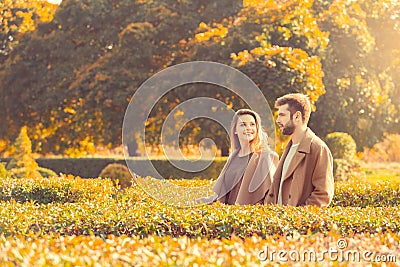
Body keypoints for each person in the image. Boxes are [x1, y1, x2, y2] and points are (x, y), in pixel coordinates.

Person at [264, 93, 334, 207]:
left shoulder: (318, 148)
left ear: (297, 116)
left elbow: (323, 194)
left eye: (282, 115)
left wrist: (297, 216)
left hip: (295, 223)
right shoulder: (289, 147)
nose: (277, 120)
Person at [197, 109, 278, 205]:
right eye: (243, 125)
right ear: (235, 130)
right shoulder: (233, 157)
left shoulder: (265, 157)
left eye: (252, 124)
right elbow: (223, 193)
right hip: (228, 214)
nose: (248, 128)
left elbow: (270, 194)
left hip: (249, 214)